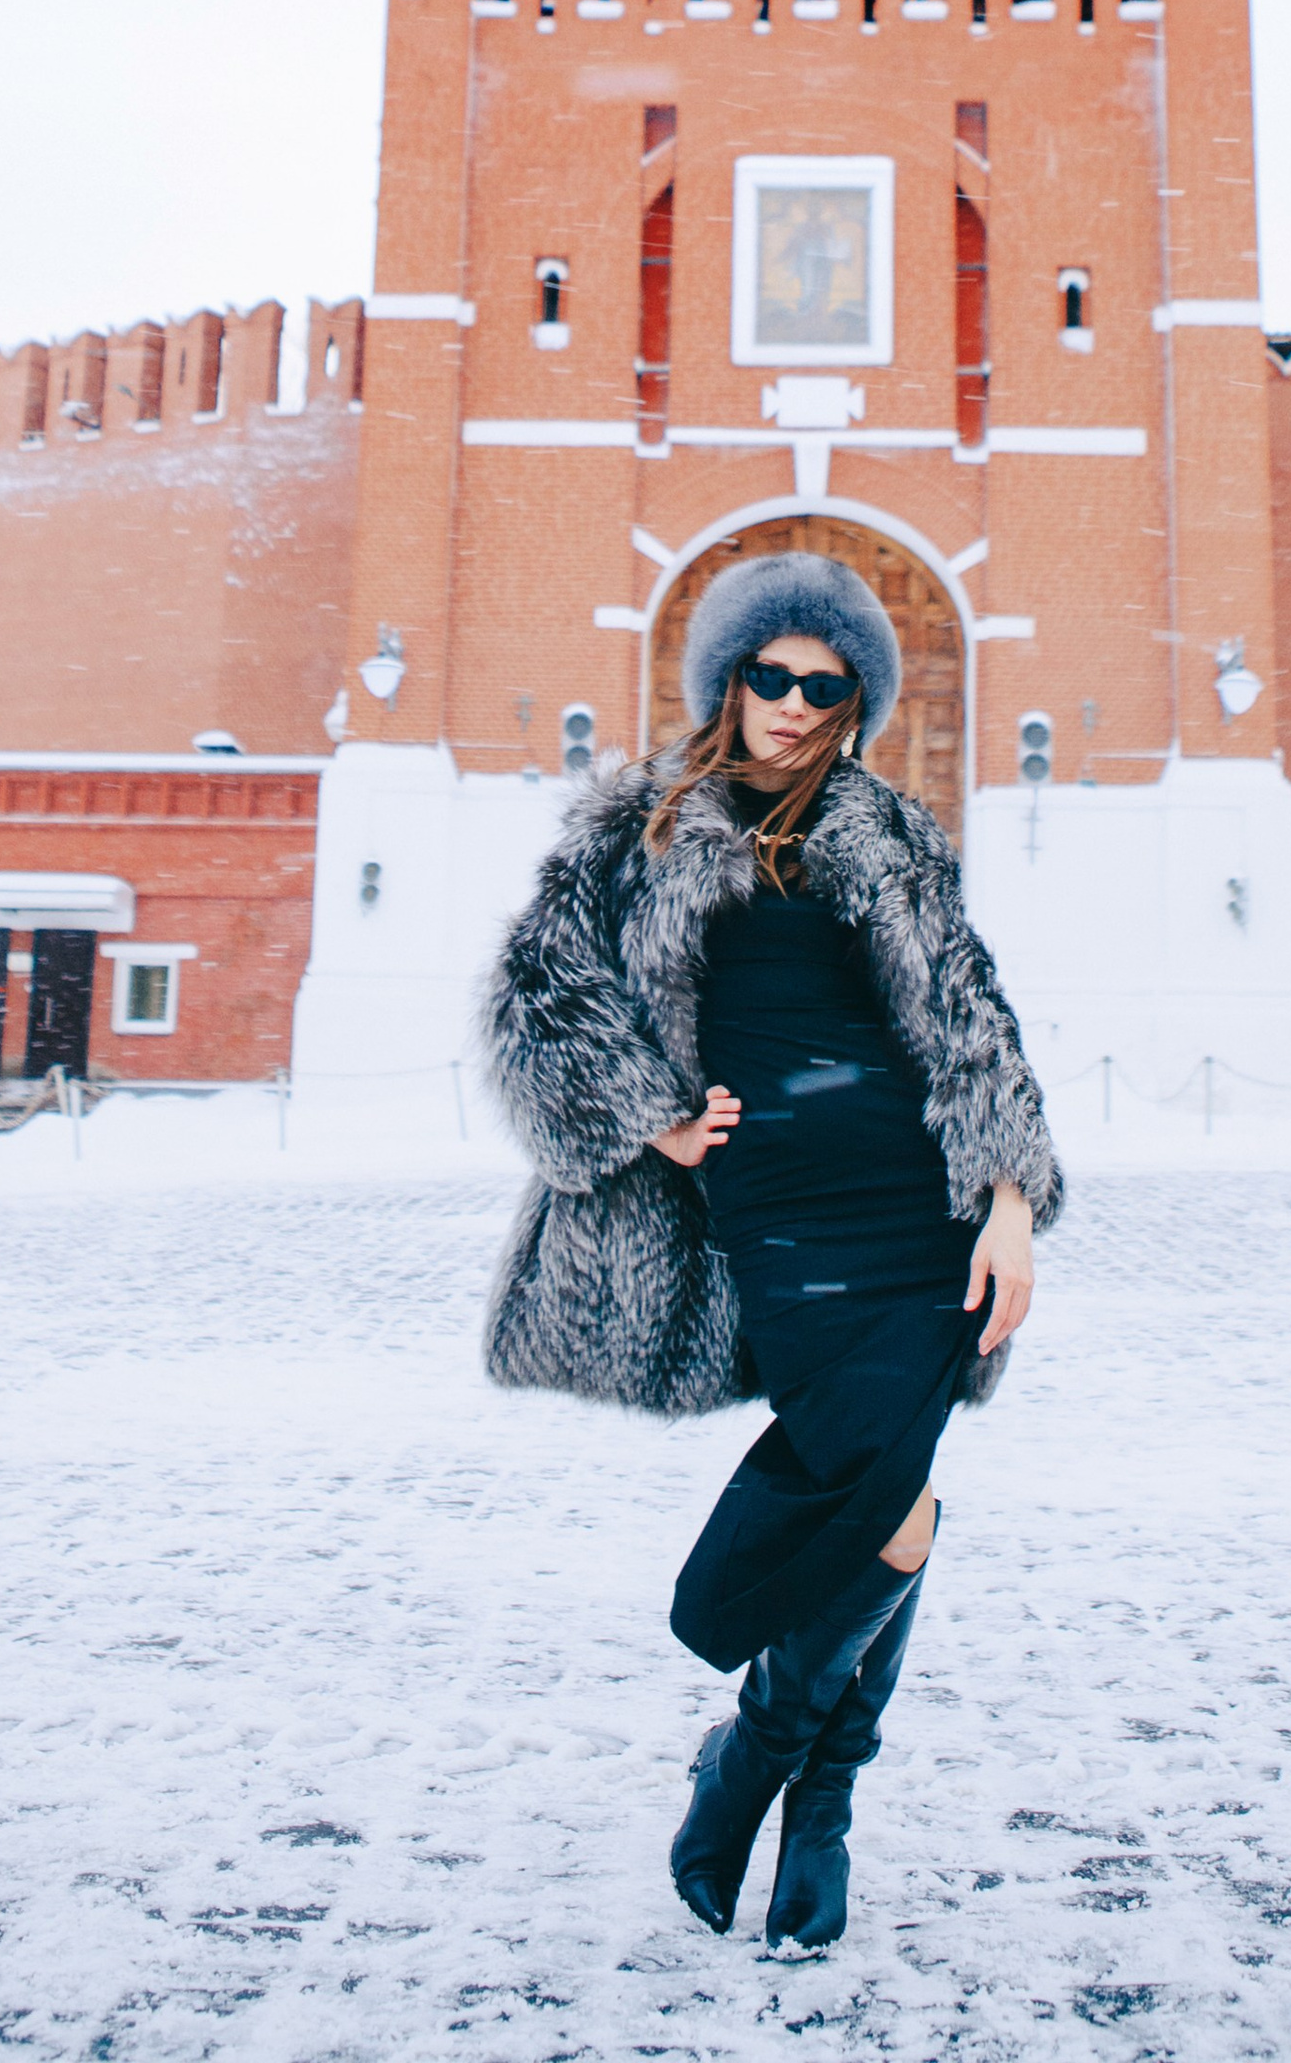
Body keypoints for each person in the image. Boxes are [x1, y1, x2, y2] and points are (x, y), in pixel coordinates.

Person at [482, 551, 1061, 1953]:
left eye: (827, 684)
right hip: (779, 1212)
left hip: (914, 1209)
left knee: (895, 1504)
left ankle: (800, 1792)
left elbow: (969, 1014)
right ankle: (775, 1768)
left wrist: (1011, 1198)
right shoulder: (640, 828)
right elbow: (537, 997)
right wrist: (651, 1115)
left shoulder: (889, 833)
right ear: (726, 681)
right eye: (771, 676)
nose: (795, 706)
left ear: (855, 700)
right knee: (888, 1506)